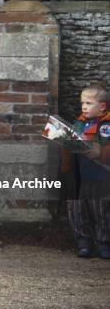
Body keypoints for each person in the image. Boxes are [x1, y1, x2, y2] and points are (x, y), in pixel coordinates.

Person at [63, 84, 110, 259]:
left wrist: (92, 150)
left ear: (102, 106)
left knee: (101, 211)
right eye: (82, 103)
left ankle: (104, 244)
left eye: (89, 103)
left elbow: (104, 151)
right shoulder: (79, 122)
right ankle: (84, 243)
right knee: (77, 210)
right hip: (80, 176)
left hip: (101, 176)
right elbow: (69, 145)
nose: (84, 106)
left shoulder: (105, 125)